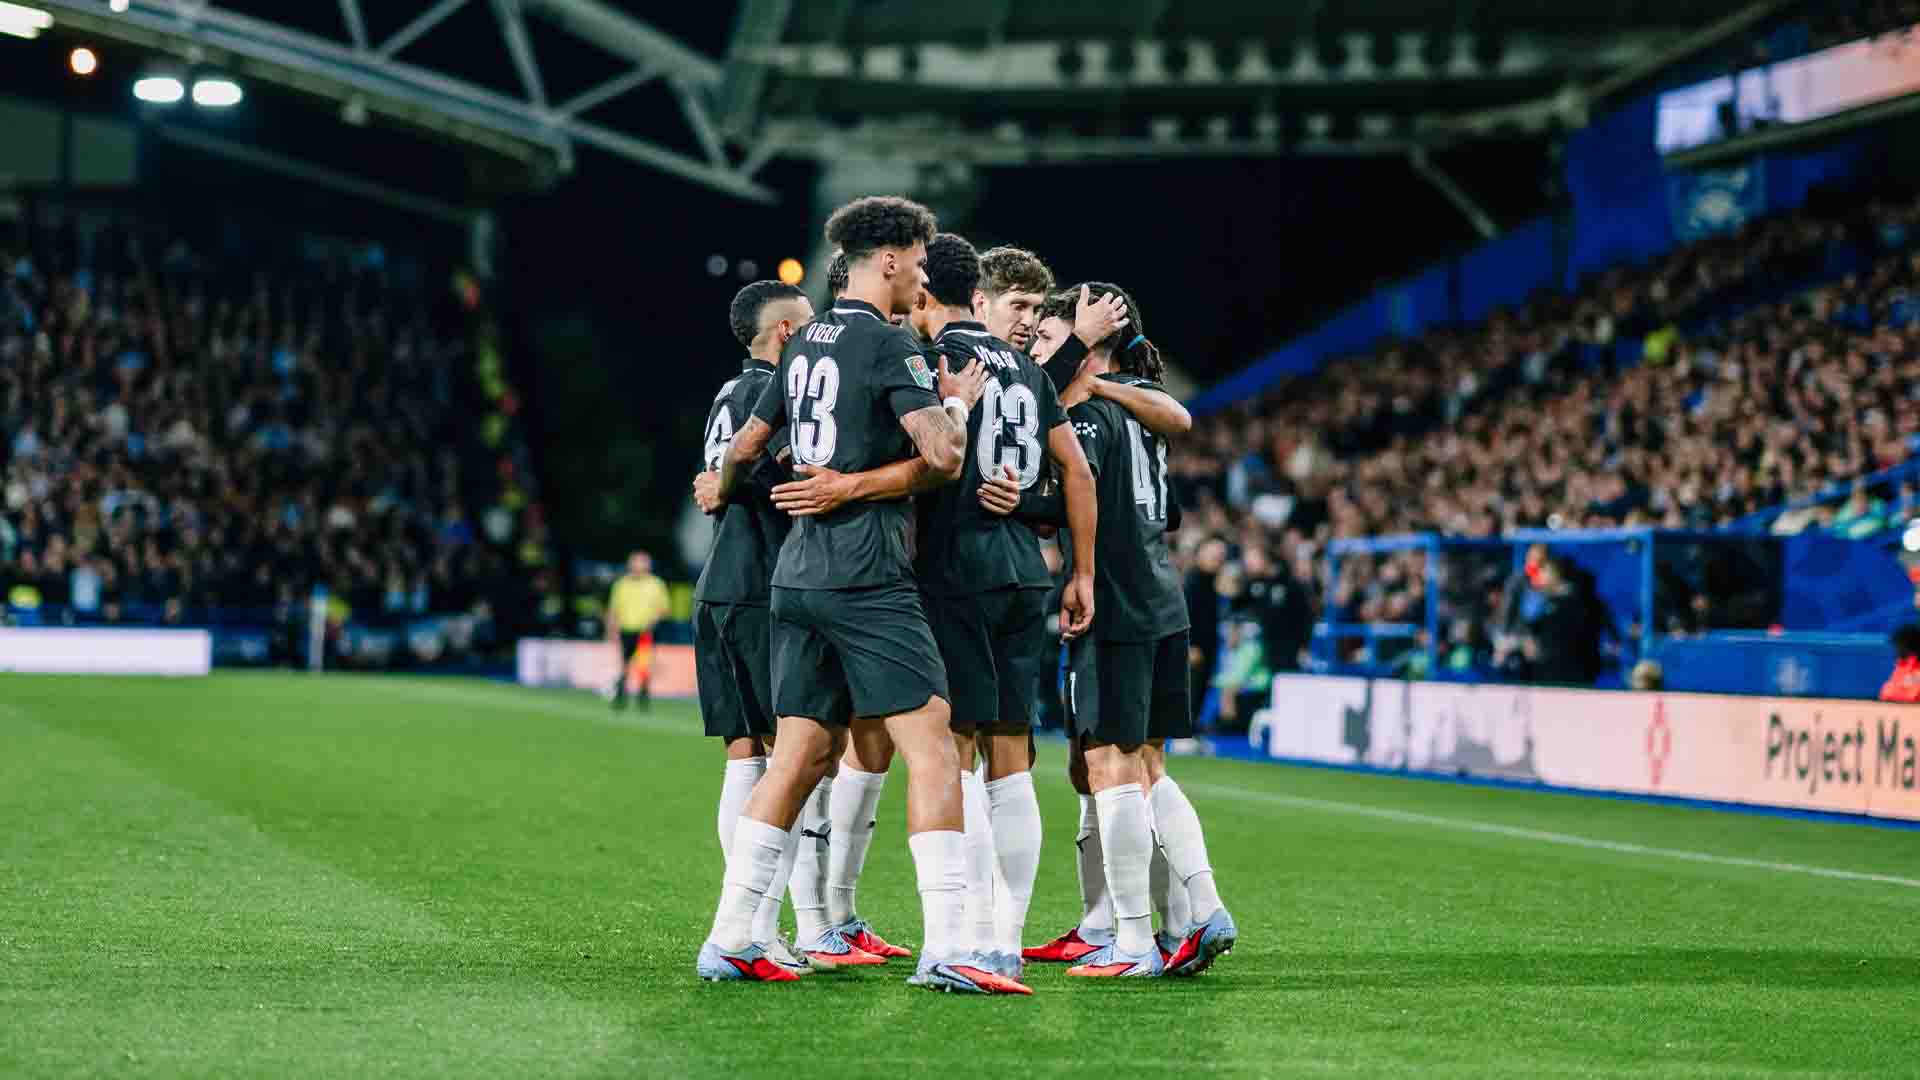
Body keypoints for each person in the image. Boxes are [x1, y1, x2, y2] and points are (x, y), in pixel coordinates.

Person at [693, 195, 1027, 994]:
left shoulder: (804, 339)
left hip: (796, 578)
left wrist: (720, 485)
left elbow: (745, 445)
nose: (922, 273)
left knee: (801, 751)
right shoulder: (886, 345)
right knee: (934, 743)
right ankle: (950, 945)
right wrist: (952, 404)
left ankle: (732, 934)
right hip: (866, 575)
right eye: (917, 258)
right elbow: (943, 457)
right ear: (889, 259)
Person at [1025, 283, 1236, 978]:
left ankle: (1137, 941)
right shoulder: (1140, 411)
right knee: (1144, 765)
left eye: (1055, 338)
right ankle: (1199, 909)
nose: (1041, 349)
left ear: (1089, 344)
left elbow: (1062, 491)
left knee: (1108, 767)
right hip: (1160, 597)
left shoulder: (1086, 419)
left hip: (1111, 601)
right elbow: (1166, 504)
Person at [905, 232, 1099, 976]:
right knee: (1011, 758)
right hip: (1026, 572)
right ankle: (1006, 940)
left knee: (956, 753)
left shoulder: (938, 361)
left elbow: (927, 457)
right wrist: (1078, 572)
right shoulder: (1030, 372)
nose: (1027, 319)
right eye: (1019, 304)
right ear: (980, 299)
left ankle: (970, 936)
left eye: (1034, 308)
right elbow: (1074, 472)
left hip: (958, 570)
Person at [690, 280, 814, 975]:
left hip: (725, 585)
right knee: (790, 759)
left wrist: (727, 482)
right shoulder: (771, 396)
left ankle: (754, 923)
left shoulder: (726, 392)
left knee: (749, 755)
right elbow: (773, 479)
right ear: (788, 335)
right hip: (764, 587)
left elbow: (726, 476)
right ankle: (754, 927)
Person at [605, 551, 670, 710]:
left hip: (645, 631)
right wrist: (611, 628)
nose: (638, 565)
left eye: (642, 562)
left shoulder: (656, 584)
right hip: (626, 629)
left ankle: (643, 695)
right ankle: (621, 694)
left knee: (644, 665)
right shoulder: (621, 584)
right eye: (636, 562)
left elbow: (664, 608)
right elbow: (613, 608)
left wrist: (654, 619)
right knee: (624, 664)